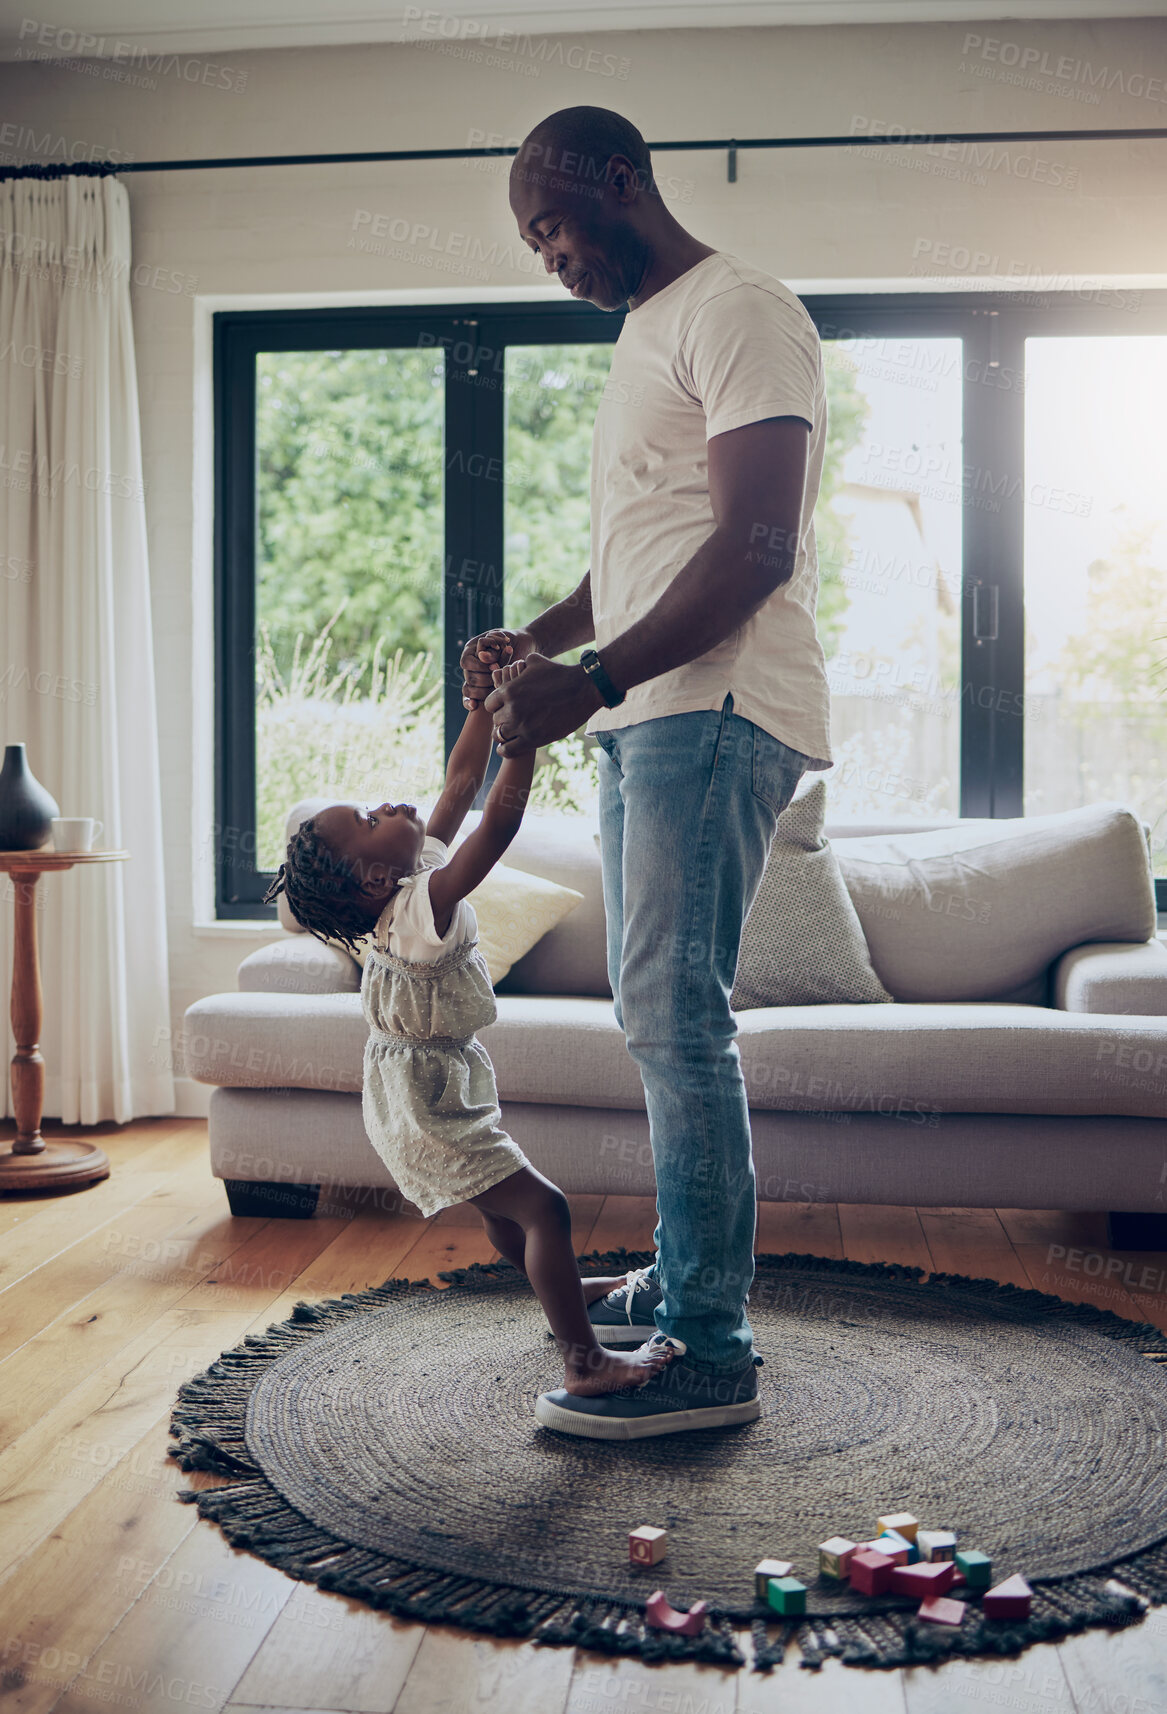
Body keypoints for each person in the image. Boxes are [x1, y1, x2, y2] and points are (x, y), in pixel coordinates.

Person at [461, 105, 833, 1439]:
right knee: (656, 1018)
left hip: (706, 706)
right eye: (531, 244)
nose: (546, 258)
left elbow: (752, 546)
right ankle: (681, 1280)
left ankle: (708, 1351)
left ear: (619, 179)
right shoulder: (647, 330)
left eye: (550, 223)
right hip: (653, 711)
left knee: (676, 1026)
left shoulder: (733, 305)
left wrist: (598, 676)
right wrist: (551, 640)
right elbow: (654, 542)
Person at [262, 653, 675, 1399]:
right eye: (368, 818)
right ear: (370, 880)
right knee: (543, 1206)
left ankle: (568, 1295)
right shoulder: (424, 909)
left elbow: (457, 783)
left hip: (411, 1087)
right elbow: (499, 820)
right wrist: (523, 745)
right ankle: (583, 1362)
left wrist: (482, 708)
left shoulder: (408, 880)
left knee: (501, 1209)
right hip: (427, 1095)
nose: (386, 805)